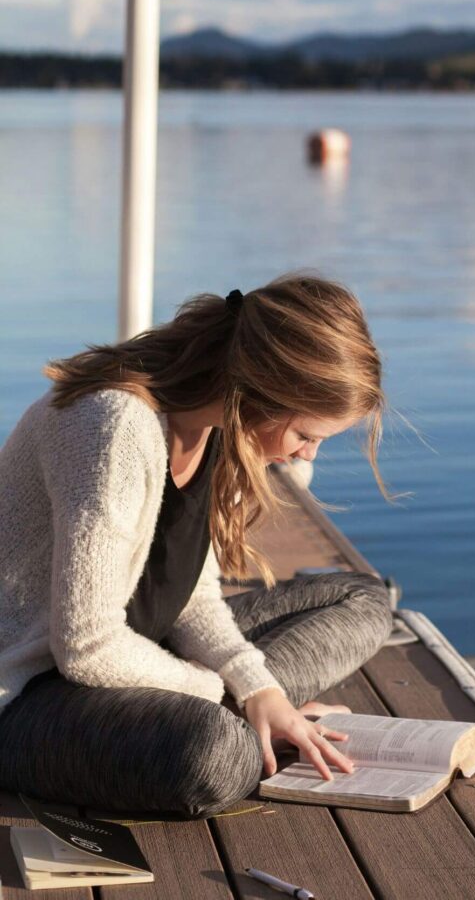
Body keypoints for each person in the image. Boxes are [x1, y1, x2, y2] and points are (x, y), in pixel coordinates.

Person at [0, 272, 394, 818]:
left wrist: (260, 690)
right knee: (213, 755)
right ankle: (241, 726)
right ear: (258, 391)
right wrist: (221, 692)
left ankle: (260, 717)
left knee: (363, 600)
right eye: (306, 435)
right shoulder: (112, 427)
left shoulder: (217, 431)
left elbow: (192, 596)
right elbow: (86, 647)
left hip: (141, 657)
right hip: (28, 693)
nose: (308, 457)